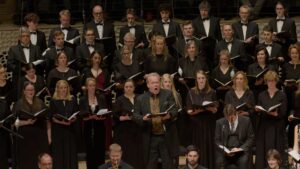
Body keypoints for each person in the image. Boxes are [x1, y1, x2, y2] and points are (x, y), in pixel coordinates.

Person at [133, 72, 179, 169]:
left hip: (166, 136)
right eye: (153, 83)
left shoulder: (168, 94)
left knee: (168, 165)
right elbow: (135, 115)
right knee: (150, 165)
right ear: (148, 85)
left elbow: (174, 110)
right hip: (150, 137)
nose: (156, 85)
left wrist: (169, 115)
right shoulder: (140, 98)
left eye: (157, 82)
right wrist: (143, 118)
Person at [255, 70, 287, 169]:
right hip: (264, 126)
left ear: (276, 81)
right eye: (269, 81)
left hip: (277, 126)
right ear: (266, 82)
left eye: (273, 81)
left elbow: (284, 112)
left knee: (276, 148)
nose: (271, 83)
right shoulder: (261, 95)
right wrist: (258, 110)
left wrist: (277, 114)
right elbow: (259, 109)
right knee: (264, 149)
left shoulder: (282, 95)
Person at [185, 70, 218, 169]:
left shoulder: (212, 92)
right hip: (196, 124)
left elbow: (215, 110)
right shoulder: (191, 92)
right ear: (196, 80)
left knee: (208, 147)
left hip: (208, 124)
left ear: (206, 79)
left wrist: (210, 108)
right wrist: (198, 111)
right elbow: (188, 111)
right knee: (197, 147)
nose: (201, 80)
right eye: (199, 78)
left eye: (203, 78)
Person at [13, 82, 49, 169]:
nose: (30, 91)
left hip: (40, 134)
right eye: (28, 90)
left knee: (40, 159)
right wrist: (26, 122)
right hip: (25, 136)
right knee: (27, 160)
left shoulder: (40, 102)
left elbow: (46, 118)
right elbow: (14, 122)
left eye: (32, 89)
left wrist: (49, 136)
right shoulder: (19, 103)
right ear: (24, 91)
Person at [113, 80, 145, 169]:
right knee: (127, 152)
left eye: (130, 87)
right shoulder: (119, 99)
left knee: (137, 152)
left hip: (137, 129)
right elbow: (115, 116)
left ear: (134, 88)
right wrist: (125, 117)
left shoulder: (140, 97)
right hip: (125, 131)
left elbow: (144, 111)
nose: (128, 88)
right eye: (126, 87)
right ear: (124, 88)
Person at [79, 78, 108, 169]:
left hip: (99, 127)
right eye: (90, 85)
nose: (92, 87)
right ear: (87, 87)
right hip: (88, 127)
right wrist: (90, 117)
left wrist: (100, 116)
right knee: (90, 151)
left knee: (100, 150)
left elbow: (106, 113)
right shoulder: (83, 99)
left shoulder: (101, 98)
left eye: (93, 85)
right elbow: (81, 116)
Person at [49, 80, 79, 169]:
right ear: (57, 89)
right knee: (59, 153)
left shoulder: (72, 99)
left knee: (71, 152)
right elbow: (52, 117)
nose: (63, 90)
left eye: (65, 87)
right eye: (61, 88)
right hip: (58, 131)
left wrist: (72, 119)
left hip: (70, 131)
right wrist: (62, 122)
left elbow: (76, 113)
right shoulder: (53, 100)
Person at [215, 104, 254, 169]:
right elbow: (217, 140)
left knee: (244, 162)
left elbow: (251, 138)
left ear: (236, 113)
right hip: (226, 152)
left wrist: (241, 148)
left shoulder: (246, 121)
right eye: (227, 118)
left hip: (241, 152)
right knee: (219, 162)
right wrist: (225, 150)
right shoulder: (219, 122)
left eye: (232, 118)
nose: (230, 120)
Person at [192, 1, 222, 69]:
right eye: (202, 10)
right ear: (199, 10)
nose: (203, 12)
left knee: (214, 67)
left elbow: (219, 36)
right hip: (201, 50)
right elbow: (194, 35)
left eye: (205, 10)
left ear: (209, 10)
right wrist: (200, 38)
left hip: (214, 49)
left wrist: (220, 49)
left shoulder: (215, 20)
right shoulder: (195, 22)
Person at [0, 97, 11, 169]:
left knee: (2, 157)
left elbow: (10, 119)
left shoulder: (4, 103)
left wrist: (3, 123)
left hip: (2, 135)